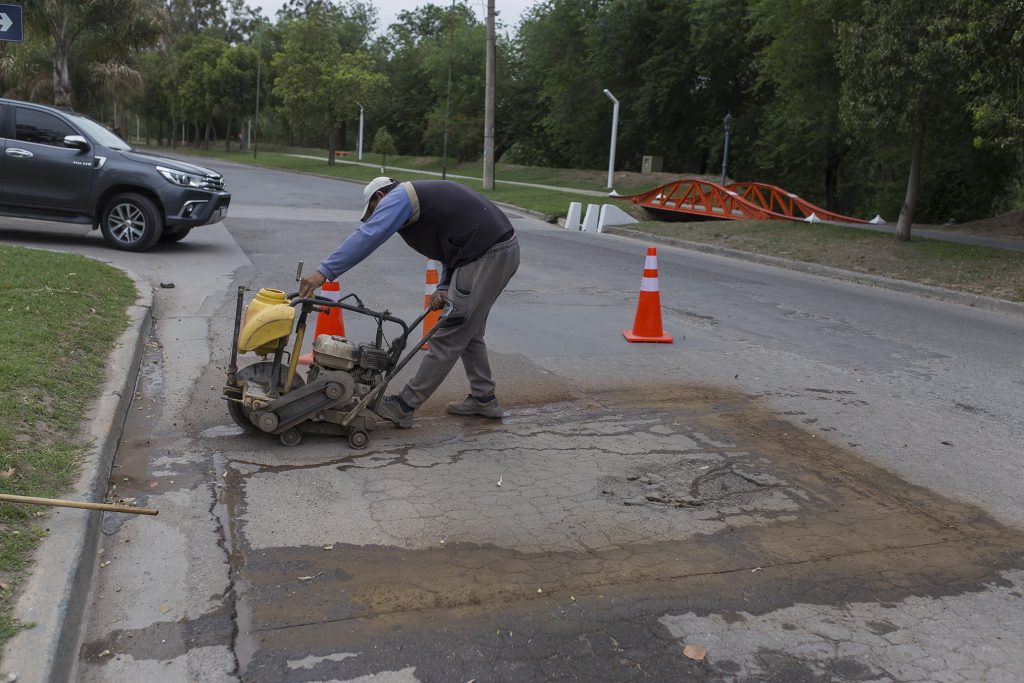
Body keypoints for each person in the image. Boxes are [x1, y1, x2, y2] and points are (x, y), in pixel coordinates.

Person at [299, 177, 520, 428]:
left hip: (487, 254)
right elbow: (451, 242)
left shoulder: (398, 198)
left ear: (380, 198)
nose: (377, 216)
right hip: (489, 251)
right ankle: (484, 397)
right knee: (470, 330)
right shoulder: (417, 200)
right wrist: (444, 285)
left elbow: (368, 236)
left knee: (451, 330)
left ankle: (404, 405)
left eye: (374, 211)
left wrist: (324, 272)